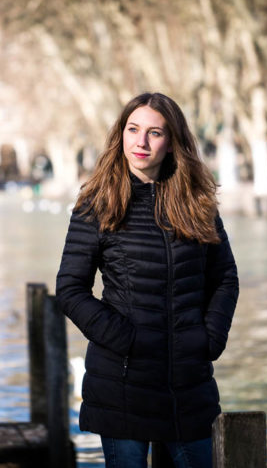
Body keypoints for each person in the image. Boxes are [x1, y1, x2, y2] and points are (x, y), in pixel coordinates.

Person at [56, 92, 239, 468]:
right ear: (120, 134)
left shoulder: (197, 203)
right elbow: (70, 289)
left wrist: (210, 337)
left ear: (172, 142)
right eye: (133, 129)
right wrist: (126, 338)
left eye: (154, 133)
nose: (140, 142)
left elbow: (224, 277)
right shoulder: (97, 203)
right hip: (124, 383)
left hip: (189, 384)